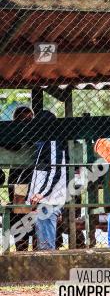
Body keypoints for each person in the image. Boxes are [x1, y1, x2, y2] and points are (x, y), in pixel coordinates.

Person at [27, 111, 66, 251]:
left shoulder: (53, 141)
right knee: (43, 242)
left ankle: (49, 270)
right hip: (45, 199)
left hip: (48, 199)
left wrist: (41, 193)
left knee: (46, 246)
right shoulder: (45, 142)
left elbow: (55, 171)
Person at [8, 106, 35, 251]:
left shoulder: (36, 133)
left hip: (34, 177)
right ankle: (21, 247)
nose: (27, 124)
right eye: (24, 120)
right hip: (19, 177)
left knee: (34, 210)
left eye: (30, 120)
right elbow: (13, 145)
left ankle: (37, 246)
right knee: (19, 210)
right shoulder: (11, 133)